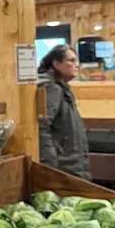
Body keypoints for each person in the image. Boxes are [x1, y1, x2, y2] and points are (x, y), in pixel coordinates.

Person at [37, 44, 90, 180]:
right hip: (64, 165)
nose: (77, 65)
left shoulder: (61, 87)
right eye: (71, 61)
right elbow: (42, 126)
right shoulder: (53, 89)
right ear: (56, 64)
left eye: (76, 61)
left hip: (70, 162)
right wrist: (50, 163)